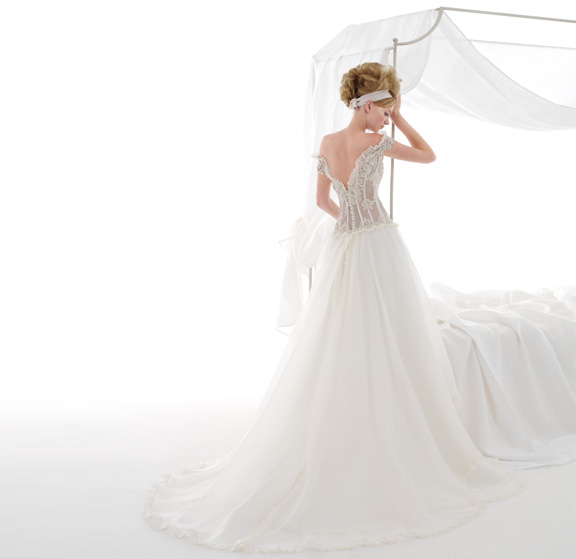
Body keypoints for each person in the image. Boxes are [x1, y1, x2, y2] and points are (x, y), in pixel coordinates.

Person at [142, 62, 527, 553]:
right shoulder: (374, 143)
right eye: (385, 110)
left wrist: (351, 214)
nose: (387, 118)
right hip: (378, 243)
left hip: (344, 245)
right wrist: (403, 121)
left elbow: (324, 202)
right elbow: (429, 156)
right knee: (388, 331)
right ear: (367, 107)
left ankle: (348, 425)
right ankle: (384, 431)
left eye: (391, 112)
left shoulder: (327, 143)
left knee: (341, 332)